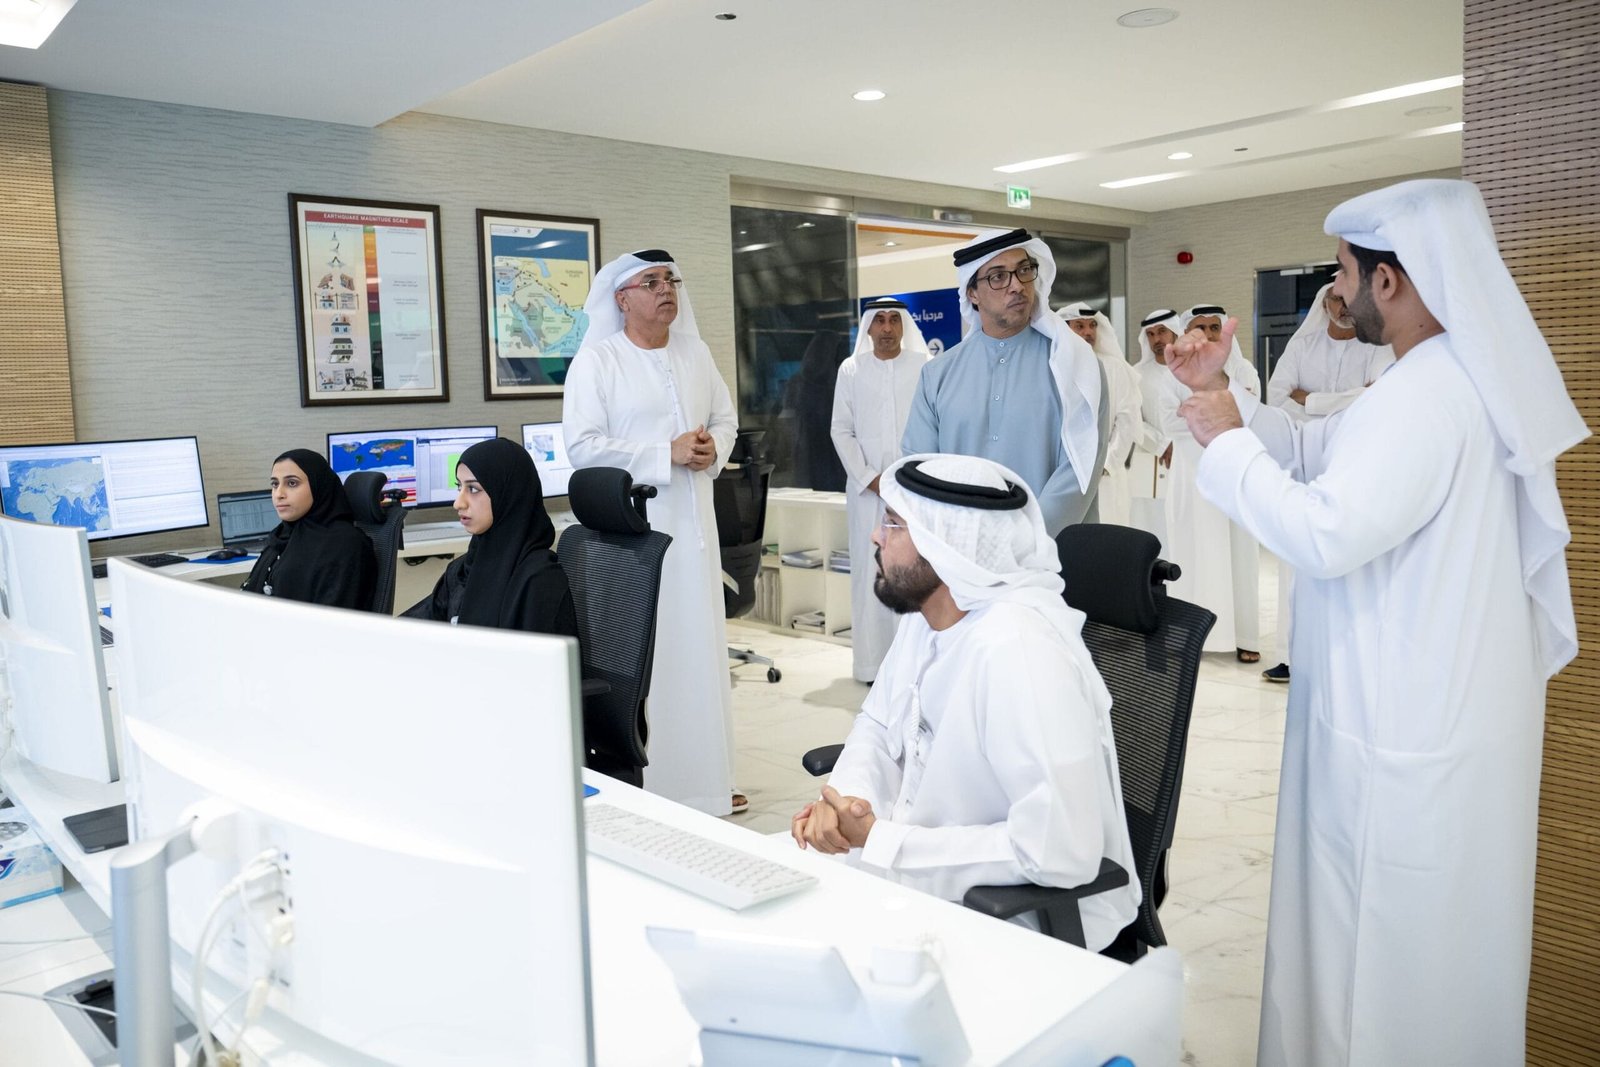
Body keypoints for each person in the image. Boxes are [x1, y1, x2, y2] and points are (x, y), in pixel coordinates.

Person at [1165, 178, 1586, 1066]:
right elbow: (1329, 450)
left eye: (1349, 268)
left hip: (1402, 748)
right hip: (1427, 724)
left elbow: (1328, 531)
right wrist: (1232, 416)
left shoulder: (1431, 395)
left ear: (1388, 280)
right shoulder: (1433, 380)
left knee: (1384, 986)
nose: (1341, 287)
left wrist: (1230, 442)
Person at [789, 453, 1140, 953]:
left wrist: (882, 840)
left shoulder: (1016, 651)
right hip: (912, 877)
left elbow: (1059, 849)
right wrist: (846, 803)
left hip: (1009, 919)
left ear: (945, 543)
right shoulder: (925, 615)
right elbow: (876, 724)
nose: (874, 537)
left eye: (893, 524)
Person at [563, 249, 743, 816]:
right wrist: (663, 454)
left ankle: (711, 781)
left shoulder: (695, 352)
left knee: (702, 652)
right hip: (635, 540)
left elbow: (725, 419)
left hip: (696, 529)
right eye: (651, 281)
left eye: (671, 279)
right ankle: (658, 784)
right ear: (622, 299)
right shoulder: (598, 362)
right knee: (653, 656)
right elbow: (583, 447)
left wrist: (715, 447)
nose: (667, 289)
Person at [901, 228, 1108, 535]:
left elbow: (1081, 466)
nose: (1016, 286)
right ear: (972, 293)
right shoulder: (938, 374)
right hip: (963, 550)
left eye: (1024, 271)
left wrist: (1025, 538)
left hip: (1051, 554)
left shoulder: (1076, 365)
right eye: (998, 277)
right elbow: (919, 464)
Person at [1261, 283, 1395, 682]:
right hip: (1304, 468)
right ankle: (1293, 654)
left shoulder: (1377, 347)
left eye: (1350, 299)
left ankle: (1344, 657)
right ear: (1325, 304)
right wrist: (1345, 403)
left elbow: (1378, 398)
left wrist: (1311, 400)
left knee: (1349, 559)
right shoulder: (1302, 348)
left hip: (1355, 464)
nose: (1345, 306)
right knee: (1295, 563)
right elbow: (1277, 399)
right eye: (1337, 299)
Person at [1150, 303, 1263, 660]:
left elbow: (1250, 414)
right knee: (1193, 551)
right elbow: (1169, 420)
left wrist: (1199, 411)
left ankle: (1245, 638)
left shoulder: (1243, 369)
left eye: (1215, 327)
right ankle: (1194, 637)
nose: (1209, 335)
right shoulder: (1173, 374)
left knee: (1239, 556)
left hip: (1233, 472)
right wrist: (1215, 415)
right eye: (1200, 327)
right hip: (1191, 475)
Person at [830, 298, 933, 683]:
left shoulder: (923, 366)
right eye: (879, 321)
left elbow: (932, 427)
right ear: (868, 328)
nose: (887, 328)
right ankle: (873, 666)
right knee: (871, 573)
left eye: (894, 320)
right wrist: (871, 478)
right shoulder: (851, 369)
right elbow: (841, 429)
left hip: (914, 493)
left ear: (903, 326)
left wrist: (913, 480)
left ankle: (914, 667)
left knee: (916, 573)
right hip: (867, 493)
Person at [401, 437, 576, 637]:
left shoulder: (540, 581)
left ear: (507, 494)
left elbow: (544, 664)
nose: (458, 503)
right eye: (459, 487)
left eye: (473, 489)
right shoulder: (462, 570)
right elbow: (413, 628)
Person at [241, 448, 375, 610]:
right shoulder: (282, 536)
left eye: (292, 483)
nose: (279, 494)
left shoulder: (344, 544)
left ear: (318, 485)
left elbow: (334, 621)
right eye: (275, 484)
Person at [1058, 302, 1141, 527]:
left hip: (1106, 475)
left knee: (1109, 535)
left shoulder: (1115, 367)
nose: (1088, 332)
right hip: (1064, 475)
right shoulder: (1053, 366)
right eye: (1080, 326)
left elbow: (1127, 419)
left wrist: (1107, 463)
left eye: (1092, 325)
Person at [1130, 309, 1181, 544]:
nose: (1156, 339)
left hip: (1186, 459)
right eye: (1150, 334)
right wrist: (1162, 444)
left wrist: (1178, 444)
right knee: (1149, 525)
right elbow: (1132, 419)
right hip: (1150, 461)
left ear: (1175, 332)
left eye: (1162, 331)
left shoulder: (1190, 371)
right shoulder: (1137, 375)